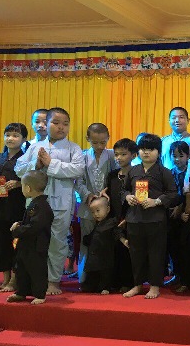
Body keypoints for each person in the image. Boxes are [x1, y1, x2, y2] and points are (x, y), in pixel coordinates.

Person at [15, 107, 85, 296]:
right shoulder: (35, 147)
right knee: (33, 241)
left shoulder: (73, 148)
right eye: (56, 123)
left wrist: (51, 164)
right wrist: (35, 165)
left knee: (57, 241)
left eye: (65, 124)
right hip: (36, 203)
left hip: (61, 201)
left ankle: (53, 280)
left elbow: (78, 170)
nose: (61, 127)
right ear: (47, 124)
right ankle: (32, 281)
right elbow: (19, 168)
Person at [122, 134, 180, 299]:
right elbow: (124, 190)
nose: (146, 152)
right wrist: (127, 197)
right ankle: (137, 284)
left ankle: (155, 286)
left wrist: (157, 201)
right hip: (134, 218)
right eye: (143, 149)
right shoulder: (133, 170)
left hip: (156, 219)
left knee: (156, 253)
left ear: (158, 152)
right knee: (136, 253)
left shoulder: (164, 172)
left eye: (151, 149)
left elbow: (173, 194)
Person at [74, 123, 118, 283]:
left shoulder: (113, 155)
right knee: (86, 241)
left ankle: (107, 280)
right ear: (88, 139)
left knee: (107, 243)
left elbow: (118, 177)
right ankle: (85, 278)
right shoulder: (82, 156)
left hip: (108, 206)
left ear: (108, 138)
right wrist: (88, 195)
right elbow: (78, 181)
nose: (99, 146)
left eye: (103, 142)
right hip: (88, 207)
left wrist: (108, 191)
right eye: (95, 142)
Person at [7, 171, 54, 305]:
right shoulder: (35, 204)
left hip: (37, 246)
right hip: (26, 245)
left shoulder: (42, 206)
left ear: (28, 188)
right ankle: (21, 292)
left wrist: (17, 230)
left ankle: (40, 294)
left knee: (36, 270)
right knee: (22, 269)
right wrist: (20, 224)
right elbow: (29, 222)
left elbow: (35, 226)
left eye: (22, 186)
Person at [0, 123, 29, 292]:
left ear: (24, 139)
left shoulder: (25, 159)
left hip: (18, 206)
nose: (10, 138)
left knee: (17, 243)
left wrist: (18, 183)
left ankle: (15, 280)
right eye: (7, 135)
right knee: (1, 242)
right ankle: (5, 278)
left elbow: (34, 180)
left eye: (15, 135)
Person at [105, 138, 137, 292]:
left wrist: (128, 217)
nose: (119, 158)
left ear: (134, 155)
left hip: (131, 218)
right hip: (114, 217)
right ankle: (115, 281)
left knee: (128, 250)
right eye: (116, 154)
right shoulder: (112, 175)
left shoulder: (137, 174)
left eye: (123, 154)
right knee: (114, 249)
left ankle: (129, 282)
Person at [80, 197, 125, 295]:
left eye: (98, 211)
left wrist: (123, 240)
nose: (95, 214)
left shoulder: (112, 222)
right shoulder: (97, 224)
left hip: (106, 253)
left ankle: (106, 287)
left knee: (106, 272)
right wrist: (86, 239)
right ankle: (91, 286)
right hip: (94, 254)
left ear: (107, 209)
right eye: (93, 212)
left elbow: (117, 233)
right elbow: (92, 236)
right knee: (92, 272)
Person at [167, 141, 190, 292]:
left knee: (186, 248)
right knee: (173, 246)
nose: (177, 159)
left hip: (186, 215)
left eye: (181, 156)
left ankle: (187, 279)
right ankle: (176, 275)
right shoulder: (169, 173)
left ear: (188, 156)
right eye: (174, 156)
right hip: (172, 216)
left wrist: (182, 208)